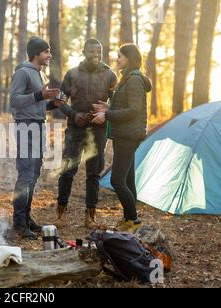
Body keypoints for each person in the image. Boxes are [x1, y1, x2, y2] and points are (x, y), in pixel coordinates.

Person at [56, 39, 118, 228]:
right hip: (75, 129)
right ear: (83, 52)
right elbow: (60, 101)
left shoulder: (110, 75)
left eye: (98, 52)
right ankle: (60, 214)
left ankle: (90, 216)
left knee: (94, 173)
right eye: (91, 52)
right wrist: (74, 115)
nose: (95, 55)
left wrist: (105, 114)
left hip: (98, 131)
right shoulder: (72, 74)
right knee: (67, 171)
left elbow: (117, 105)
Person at [92, 43, 152, 233]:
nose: (117, 59)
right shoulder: (128, 78)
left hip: (128, 135)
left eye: (120, 56)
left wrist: (107, 115)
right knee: (128, 180)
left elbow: (134, 110)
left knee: (117, 181)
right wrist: (109, 108)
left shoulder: (134, 80)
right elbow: (127, 106)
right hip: (125, 134)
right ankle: (129, 220)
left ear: (129, 58)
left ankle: (133, 221)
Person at [10, 36, 65, 240]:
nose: (50, 55)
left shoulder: (39, 74)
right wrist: (41, 96)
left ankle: (27, 218)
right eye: (46, 51)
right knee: (25, 174)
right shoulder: (23, 72)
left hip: (39, 126)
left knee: (33, 174)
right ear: (36, 54)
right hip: (25, 127)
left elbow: (37, 103)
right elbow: (15, 100)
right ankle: (18, 222)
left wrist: (52, 105)